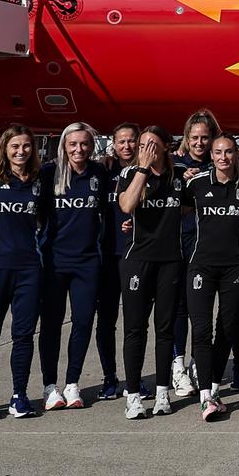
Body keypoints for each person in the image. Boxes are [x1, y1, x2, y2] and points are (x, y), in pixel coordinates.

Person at [0, 125, 46, 420]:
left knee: (23, 335)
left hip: (29, 269)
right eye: (15, 146)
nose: (21, 152)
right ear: (4, 148)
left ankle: (19, 394)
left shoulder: (41, 179)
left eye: (26, 146)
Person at [186, 134, 239, 421]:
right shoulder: (196, 183)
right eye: (218, 152)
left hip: (235, 267)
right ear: (212, 155)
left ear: (236, 155)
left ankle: (214, 386)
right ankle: (206, 395)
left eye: (229, 152)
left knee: (227, 329)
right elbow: (173, 211)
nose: (223, 157)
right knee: (201, 331)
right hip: (201, 266)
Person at [38, 122, 107, 411]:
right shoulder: (48, 173)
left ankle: (72, 382)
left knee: (82, 323)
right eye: (73, 144)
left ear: (92, 146)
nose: (79, 149)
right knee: (52, 324)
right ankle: (50, 386)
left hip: (87, 262)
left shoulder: (99, 173)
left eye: (84, 144)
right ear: (64, 146)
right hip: (55, 261)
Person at [118, 126, 186, 418]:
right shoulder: (130, 174)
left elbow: (190, 208)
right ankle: (133, 394)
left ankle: (162, 392)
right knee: (135, 328)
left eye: (152, 145)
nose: (146, 148)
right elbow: (127, 205)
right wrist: (142, 169)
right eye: (142, 144)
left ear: (166, 147)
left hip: (170, 260)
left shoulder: (179, 176)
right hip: (138, 260)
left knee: (165, 328)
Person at [166, 110, 221, 398]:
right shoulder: (174, 165)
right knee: (180, 308)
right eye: (194, 137)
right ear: (186, 139)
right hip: (181, 244)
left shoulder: (223, 164)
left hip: (211, 248)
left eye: (205, 137)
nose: (200, 143)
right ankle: (178, 365)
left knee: (204, 310)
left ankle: (200, 363)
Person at [93, 122, 139, 400]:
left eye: (131, 141)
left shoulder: (147, 172)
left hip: (137, 255)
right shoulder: (104, 170)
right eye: (121, 141)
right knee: (106, 320)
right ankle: (110, 377)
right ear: (113, 144)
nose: (126, 146)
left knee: (135, 323)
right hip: (108, 255)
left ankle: (135, 378)